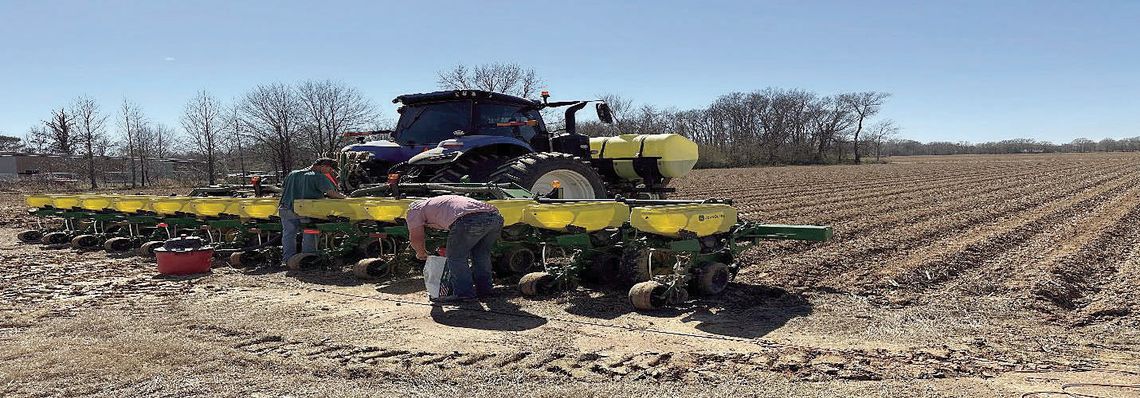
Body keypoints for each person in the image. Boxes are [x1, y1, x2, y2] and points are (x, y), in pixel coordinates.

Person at [405, 195, 503, 302]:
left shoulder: (414, 210)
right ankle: (485, 291)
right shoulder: (437, 203)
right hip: (495, 218)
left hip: (469, 220)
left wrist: (421, 252)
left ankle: (464, 294)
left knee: (456, 257)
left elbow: (416, 238)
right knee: (480, 255)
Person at [278, 158, 346, 266]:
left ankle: (288, 260)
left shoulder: (292, 174)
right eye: (330, 169)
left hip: (286, 208)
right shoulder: (318, 177)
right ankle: (308, 259)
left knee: (288, 235)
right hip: (307, 210)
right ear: (323, 166)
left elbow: (283, 189)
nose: (329, 172)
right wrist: (345, 198)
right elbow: (331, 193)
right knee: (310, 232)